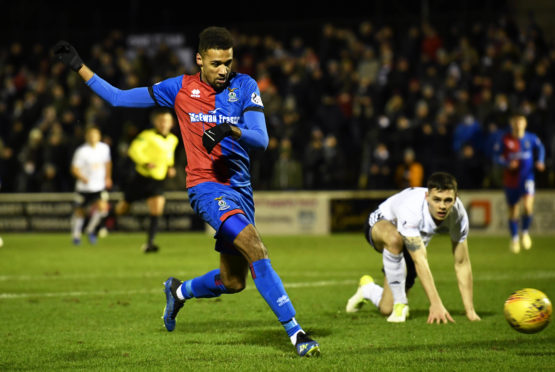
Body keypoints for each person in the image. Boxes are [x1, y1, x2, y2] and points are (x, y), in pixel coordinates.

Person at [53, 26, 320, 357]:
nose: (224, 70)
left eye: (228, 62)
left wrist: (230, 129)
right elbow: (118, 98)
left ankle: (179, 292)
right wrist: (80, 66)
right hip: (206, 188)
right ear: (200, 60)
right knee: (255, 247)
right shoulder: (179, 88)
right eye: (216, 63)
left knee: (233, 282)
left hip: (240, 190)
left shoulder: (245, 86)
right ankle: (296, 333)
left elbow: (262, 140)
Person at [346, 172, 480, 324]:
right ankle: (400, 304)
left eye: (447, 200)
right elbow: (420, 260)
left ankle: (368, 289)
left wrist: (470, 311)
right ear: (427, 196)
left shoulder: (459, 215)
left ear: (455, 199)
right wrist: (435, 303)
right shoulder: (411, 208)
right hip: (381, 223)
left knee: (386, 309)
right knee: (395, 239)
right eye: (436, 199)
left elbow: (462, 262)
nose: (442, 206)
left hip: (408, 242)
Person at [114, 108, 179, 253]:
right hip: (141, 178)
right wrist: (145, 162)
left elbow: (168, 156)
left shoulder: (173, 139)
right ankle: (105, 222)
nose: (164, 124)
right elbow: (134, 150)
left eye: (167, 121)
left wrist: (170, 167)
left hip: (158, 180)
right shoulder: (146, 135)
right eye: (161, 121)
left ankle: (150, 243)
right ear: (156, 122)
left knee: (157, 209)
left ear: (171, 123)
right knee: (123, 208)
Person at [492, 113, 545, 253]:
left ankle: (525, 232)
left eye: (521, 121)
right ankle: (515, 239)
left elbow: (541, 149)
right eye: (515, 121)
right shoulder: (505, 139)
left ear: (525, 123)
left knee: (527, 207)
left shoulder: (531, 138)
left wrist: (540, 160)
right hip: (511, 179)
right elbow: (496, 156)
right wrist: (507, 163)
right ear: (511, 123)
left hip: (527, 178)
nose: (518, 124)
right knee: (513, 210)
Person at [70, 124, 112, 245]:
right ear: (86, 137)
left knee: (103, 208)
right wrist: (82, 177)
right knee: (80, 212)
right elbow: (74, 169)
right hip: (84, 187)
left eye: (95, 135)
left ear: (99, 136)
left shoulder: (104, 148)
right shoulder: (82, 151)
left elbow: (108, 163)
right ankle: (76, 235)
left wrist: (108, 177)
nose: (93, 137)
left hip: (98, 186)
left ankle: (90, 230)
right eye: (90, 135)